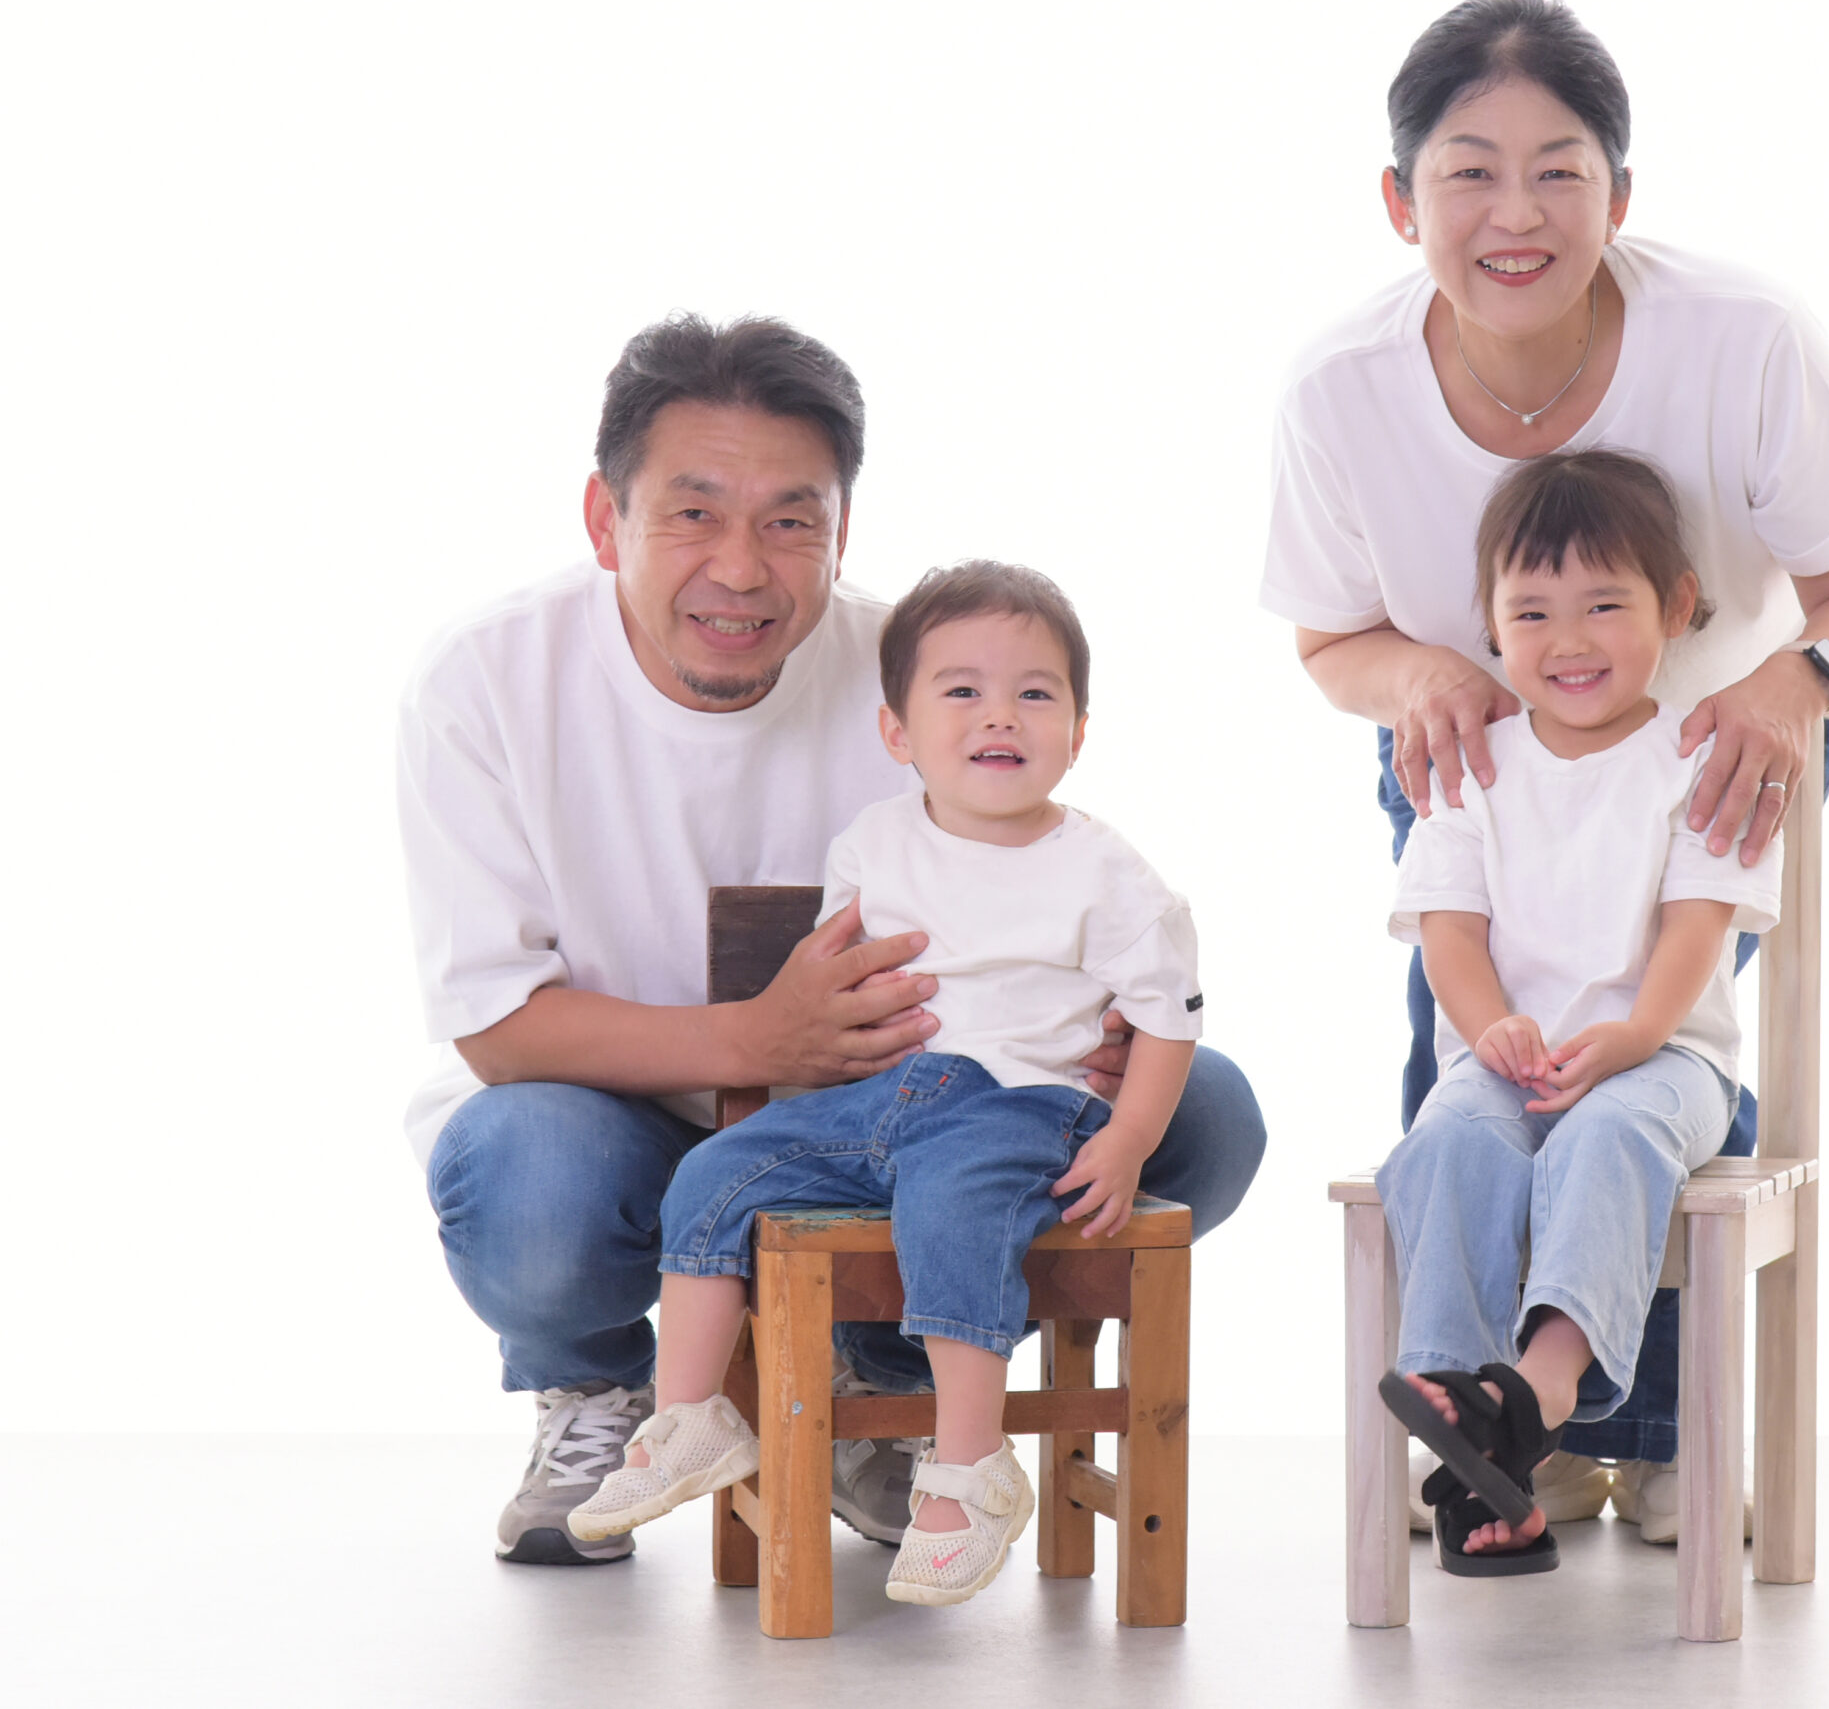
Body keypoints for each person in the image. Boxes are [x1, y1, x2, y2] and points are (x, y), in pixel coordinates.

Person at [398, 316, 1266, 1566]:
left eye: (790, 520)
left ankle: (884, 1380)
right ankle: (600, 1388)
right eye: (693, 514)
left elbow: (1051, 873)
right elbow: (494, 1025)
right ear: (605, 518)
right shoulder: (484, 679)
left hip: (899, 1118)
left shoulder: (923, 667)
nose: (741, 568)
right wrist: (758, 1040)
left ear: (842, 531)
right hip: (604, 1111)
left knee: (1205, 1114)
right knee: (523, 1173)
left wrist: (1107, 1026)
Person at [1262, 0, 1829, 1533]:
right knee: (1469, 1071)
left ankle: (1659, 1429)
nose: (1516, 213)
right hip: (1474, 748)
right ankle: (1501, 1429)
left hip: (1722, 738)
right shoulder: (1340, 386)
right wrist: (1423, 669)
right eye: (1468, 172)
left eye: (1560, 171)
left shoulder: (1741, 336)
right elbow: (1331, 639)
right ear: (1399, 198)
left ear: (1621, 195)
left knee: (1650, 1063)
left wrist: (1790, 681)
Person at [564, 561, 1202, 1607]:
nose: (1000, 714)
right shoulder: (875, 842)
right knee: (717, 1172)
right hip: (884, 1098)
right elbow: (840, 984)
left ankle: (969, 1466)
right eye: (963, 690)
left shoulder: (1108, 871)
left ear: (1079, 732)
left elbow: (1170, 1015)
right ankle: (687, 1416)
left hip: (1020, 1103)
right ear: (896, 732)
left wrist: (1127, 1136)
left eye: (1034, 693)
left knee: (953, 1208)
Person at [1379, 449, 1778, 1575]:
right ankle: (1472, 1441)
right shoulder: (1471, 767)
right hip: (1509, 1059)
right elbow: (1450, 934)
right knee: (1444, 1141)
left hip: (1664, 1059)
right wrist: (1491, 1027)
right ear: (1490, 624)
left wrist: (1636, 1034)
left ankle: (1537, 1393)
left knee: (1607, 1134)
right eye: (1532, 612)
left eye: (1605, 604)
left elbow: (1698, 926)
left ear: (1676, 607)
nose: (1569, 639)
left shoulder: (1696, 759)